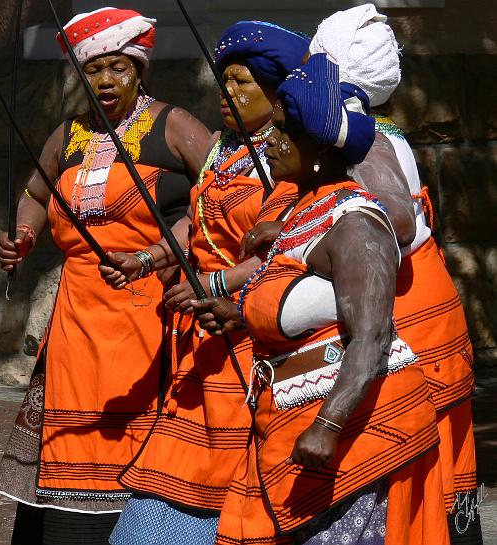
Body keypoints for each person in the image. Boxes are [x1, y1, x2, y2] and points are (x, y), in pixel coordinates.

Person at [192, 52, 448, 545]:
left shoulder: (355, 224)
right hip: (286, 417)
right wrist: (240, 313)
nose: (271, 140)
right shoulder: (304, 208)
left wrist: (328, 425)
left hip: (357, 434)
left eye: (285, 133)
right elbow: (304, 300)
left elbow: (372, 338)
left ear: (321, 150)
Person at [0, 7, 211, 544]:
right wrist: (22, 235)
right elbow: (35, 194)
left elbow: (225, 196)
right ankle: (73, 519)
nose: (105, 81)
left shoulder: (173, 125)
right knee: (73, 425)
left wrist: (160, 252)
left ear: (139, 70)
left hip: (153, 306)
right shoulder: (66, 135)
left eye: (117, 67)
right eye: (94, 70)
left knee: (138, 418)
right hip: (77, 312)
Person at [98, 21, 310, 545]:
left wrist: (214, 283)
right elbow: (195, 224)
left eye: (242, 83)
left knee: (245, 472)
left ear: (278, 90)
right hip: (202, 340)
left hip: (255, 337)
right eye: (224, 82)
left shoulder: (292, 159)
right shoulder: (221, 149)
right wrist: (147, 260)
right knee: (178, 473)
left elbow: (291, 247)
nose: (227, 94)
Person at [309, 7, 480, 543]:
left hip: (407, 310)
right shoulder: (377, 131)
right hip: (422, 299)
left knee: (409, 453)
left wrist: (313, 242)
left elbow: (396, 223)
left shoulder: (366, 139)